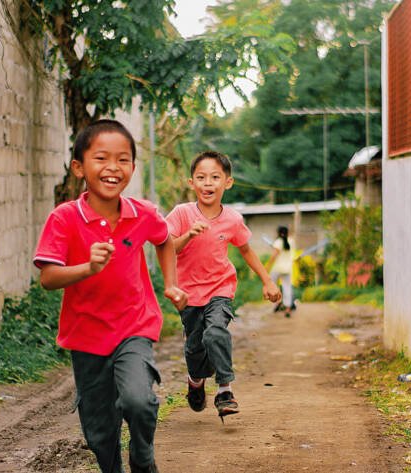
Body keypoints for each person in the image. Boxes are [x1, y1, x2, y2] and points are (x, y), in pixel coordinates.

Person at [33, 119, 187, 473]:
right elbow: (48, 278)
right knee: (100, 433)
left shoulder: (142, 213)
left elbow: (164, 239)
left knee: (138, 400)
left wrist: (171, 283)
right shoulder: (65, 218)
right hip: (86, 336)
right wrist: (88, 268)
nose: (113, 168)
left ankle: (142, 458)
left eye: (123, 159)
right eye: (101, 158)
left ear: (133, 166)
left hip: (134, 327)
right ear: (79, 167)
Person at [165, 150, 281, 420]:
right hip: (187, 294)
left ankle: (225, 390)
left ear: (227, 183)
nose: (208, 183)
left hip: (220, 289)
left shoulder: (232, 219)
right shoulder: (182, 214)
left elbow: (246, 250)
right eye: (201, 177)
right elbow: (168, 248)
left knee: (216, 332)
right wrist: (188, 235)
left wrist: (267, 280)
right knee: (195, 348)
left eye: (215, 177)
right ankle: (196, 381)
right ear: (191, 182)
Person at [266, 225, 296, 317]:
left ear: (279, 233)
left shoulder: (278, 242)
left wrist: (267, 266)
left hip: (277, 268)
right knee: (287, 288)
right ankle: (287, 309)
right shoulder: (291, 241)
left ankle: (278, 302)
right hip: (287, 269)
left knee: (272, 285)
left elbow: (274, 256)